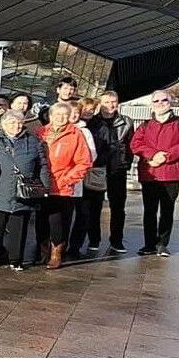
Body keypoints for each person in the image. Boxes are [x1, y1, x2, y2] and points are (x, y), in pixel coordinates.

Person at [130, 89, 179, 255]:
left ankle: (162, 243)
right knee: (149, 210)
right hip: (150, 172)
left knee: (167, 209)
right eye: (156, 101)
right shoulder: (145, 125)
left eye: (164, 100)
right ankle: (149, 244)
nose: (160, 104)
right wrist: (152, 155)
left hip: (172, 172)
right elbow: (135, 144)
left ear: (170, 101)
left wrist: (166, 156)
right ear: (152, 104)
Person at [0, 111, 49, 270]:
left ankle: (15, 259)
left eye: (19, 123)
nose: (16, 126)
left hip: (23, 191)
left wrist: (44, 186)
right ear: (3, 124)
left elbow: (42, 165)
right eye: (11, 123)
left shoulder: (34, 141)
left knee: (19, 228)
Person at [41, 102, 93, 270]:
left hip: (62, 185)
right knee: (41, 220)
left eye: (65, 115)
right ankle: (42, 252)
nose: (60, 118)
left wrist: (68, 179)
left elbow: (84, 161)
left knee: (58, 222)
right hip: (41, 184)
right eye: (57, 114)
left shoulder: (75, 134)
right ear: (50, 116)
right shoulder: (40, 132)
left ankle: (57, 253)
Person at [92, 91, 135, 252]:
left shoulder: (126, 122)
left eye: (113, 102)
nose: (110, 105)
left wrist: (126, 163)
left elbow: (131, 145)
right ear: (100, 103)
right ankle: (94, 239)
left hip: (118, 168)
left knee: (118, 207)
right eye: (107, 102)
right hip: (97, 167)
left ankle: (116, 240)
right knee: (94, 207)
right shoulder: (93, 122)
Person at [66, 97, 106, 256]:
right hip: (61, 178)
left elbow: (92, 154)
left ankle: (75, 245)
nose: (74, 115)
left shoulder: (85, 131)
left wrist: (77, 167)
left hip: (82, 177)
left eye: (77, 113)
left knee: (83, 213)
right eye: (72, 112)